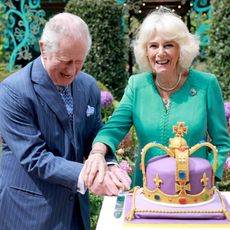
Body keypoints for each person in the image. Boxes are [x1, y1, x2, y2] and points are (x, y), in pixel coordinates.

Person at [0, 13, 130, 230]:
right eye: (65, 61)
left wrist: (107, 163)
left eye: (79, 62)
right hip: (29, 212)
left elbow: (94, 134)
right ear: (43, 48)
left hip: (75, 213)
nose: (71, 71)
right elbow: (34, 157)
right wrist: (89, 178)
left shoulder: (88, 85)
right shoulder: (13, 91)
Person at [83, 7, 230, 189]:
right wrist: (97, 152)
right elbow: (112, 129)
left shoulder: (206, 85)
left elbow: (222, 144)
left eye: (168, 45)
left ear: (181, 49)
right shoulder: (137, 86)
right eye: (153, 46)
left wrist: (208, 177)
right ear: (146, 51)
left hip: (194, 192)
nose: (160, 53)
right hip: (147, 190)